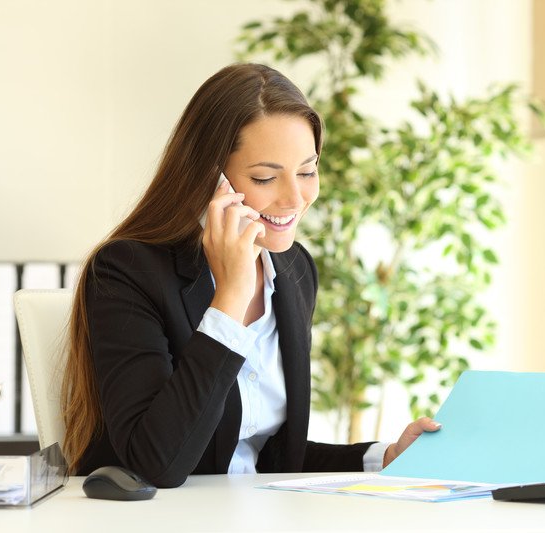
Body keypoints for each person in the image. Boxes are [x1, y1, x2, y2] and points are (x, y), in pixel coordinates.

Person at [60, 63, 440, 488]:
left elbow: (262, 454)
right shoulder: (127, 271)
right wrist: (231, 295)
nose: (295, 198)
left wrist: (382, 457)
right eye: (264, 177)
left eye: (307, 171)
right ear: (210, 178)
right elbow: (155, 463)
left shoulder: (294, 270)